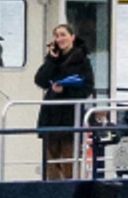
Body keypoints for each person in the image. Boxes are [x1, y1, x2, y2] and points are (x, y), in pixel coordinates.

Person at [32, 22, 94, 178]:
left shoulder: (82, 61)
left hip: (69, 116)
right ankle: (51, 190)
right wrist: (51, 60)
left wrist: (66, 90)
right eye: (57, 36)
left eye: (63, 35)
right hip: (51, 116)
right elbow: (40, 80)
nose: (60, 39)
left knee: (69, 161)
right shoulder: (53, 59)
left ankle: (71, 189)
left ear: (72, 37)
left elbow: (87, 88)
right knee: (50, 160)